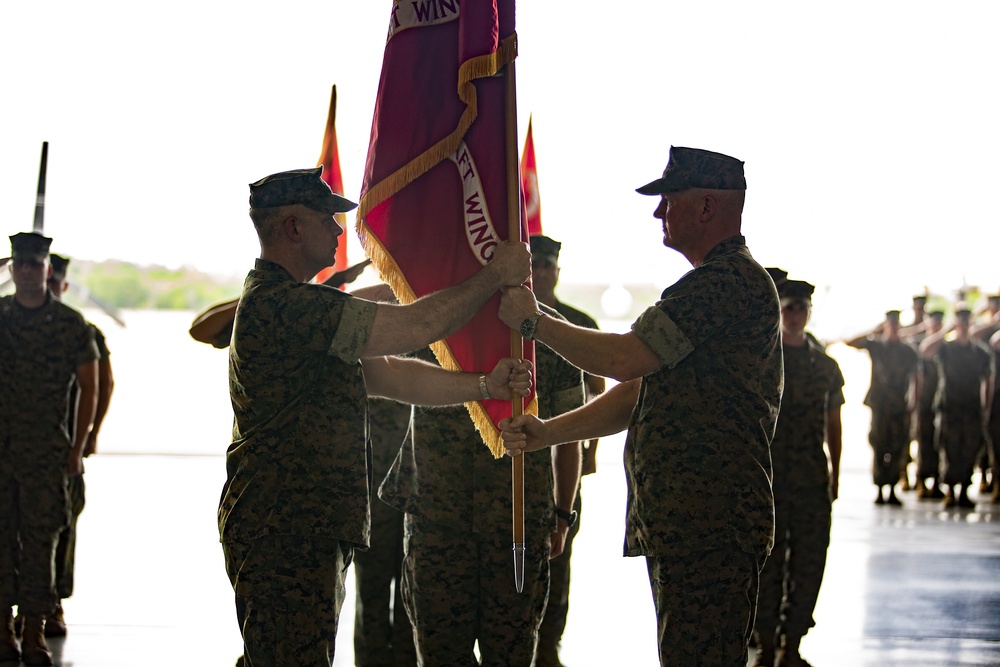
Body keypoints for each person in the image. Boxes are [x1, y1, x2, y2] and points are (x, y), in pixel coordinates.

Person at [219, 166, 532, 667]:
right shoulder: (287, 306)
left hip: (300, 523)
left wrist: (482, 386)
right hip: (285, 527)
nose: (340, 231)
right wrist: (492, 277)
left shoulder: (299, 307)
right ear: (294, 228)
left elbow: (390, 375)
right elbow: (413, 328)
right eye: (329, 220)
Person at [497, 146, 782, 666]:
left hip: (711, 521)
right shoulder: (707, 285)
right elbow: (637, 392)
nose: (658, 213)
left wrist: (534, 320)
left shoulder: (726, 283)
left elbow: (626, 360)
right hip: (692, 521)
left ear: (705, 207)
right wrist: (548, 433)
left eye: (668, 200)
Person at [378, 310, 584, 667]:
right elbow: (384, 363)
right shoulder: (432, 324)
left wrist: (564, 514)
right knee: (440, 653)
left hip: (517, 525)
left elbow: (569, 437)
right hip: (438, 529)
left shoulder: (548, 334)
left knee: (511, 654)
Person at [0, 232, 99, 666]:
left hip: (48, 454)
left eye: (34, 263)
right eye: (19, 263)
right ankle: (3, 628)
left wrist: (78, 447)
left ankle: (36, 630)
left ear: (47, 270)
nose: (26, 270)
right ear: (12, 268)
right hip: (1, 453)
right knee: (2, 541)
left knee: (42, 542)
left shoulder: (70, 325)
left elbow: (91, 388)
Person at [751, 279, 844, 667]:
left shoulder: (824, 366)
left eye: (801, 308)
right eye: (788, 307)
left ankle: (792, 643)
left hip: (810, 477)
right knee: (767, 564)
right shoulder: (762, 359)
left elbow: (833, 422)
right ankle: (767, 642)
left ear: (809, 312)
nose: (795, 315)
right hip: (769, 478)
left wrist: (836, 473)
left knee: (809, 560)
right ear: (779, 311)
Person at [527, 233, 605, 667]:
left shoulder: (576, 323)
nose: (540, 274)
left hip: (563, 460)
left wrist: (588, 448)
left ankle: (549, 642)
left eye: (547, 267)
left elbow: (597, 391)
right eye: (533, 267)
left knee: (560, 554)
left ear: (557, 272)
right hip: (525, 463)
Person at [44, 253, 115, 637]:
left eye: (55, 284)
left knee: (63, 523)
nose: (50, 290)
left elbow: (103, 385)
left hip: (63, 446)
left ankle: (53, 603)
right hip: (20, 444)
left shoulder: (80, 329)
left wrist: (91, 435)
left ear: (64, 286)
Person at [349, 284, 415, 667]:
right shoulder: (359, 344)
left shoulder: (431, 343)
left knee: (411, 596)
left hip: (412, 494)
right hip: (369, 496)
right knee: (371, 595)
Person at [189, 258, 371, 349]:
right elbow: (199, 330)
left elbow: (298, 300)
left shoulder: (282, 304)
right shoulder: (261, 314)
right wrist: (254, 297)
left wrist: (340, 278)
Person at [919, 306, 994, 508]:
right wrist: (945, 331)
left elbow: (988, 380)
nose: (963, 326)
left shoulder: (980, 352)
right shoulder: (946, 348)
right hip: (949, 407)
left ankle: (963, 491)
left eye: (966, 322)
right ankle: (950, 491)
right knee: (949, 449)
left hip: (971, 409)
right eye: (959, 322)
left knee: (969, 450)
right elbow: (925, 350)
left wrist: (985, 407)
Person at [846, 311, 919, 505]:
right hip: (880, 405)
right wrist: (874, 329)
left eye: (896, 325)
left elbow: (916, 377)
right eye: (890, 324)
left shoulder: (907, 351)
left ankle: (893, 488)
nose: (893, 328)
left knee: (897, 446)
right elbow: (850, 342)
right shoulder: (876, 345)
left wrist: (914, 400)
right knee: (879, 445)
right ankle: (879, 488)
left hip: (898, 407)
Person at [904, 310, 946, 499]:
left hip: (942, 402)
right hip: (923, 402)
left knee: (939, 442)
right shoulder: (918, 343)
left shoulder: (946, 347)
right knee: (923, 441)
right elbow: (925, 351)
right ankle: (921, 480)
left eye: (939, 322)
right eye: (933, 321)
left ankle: (937, 481)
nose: (936, 325)